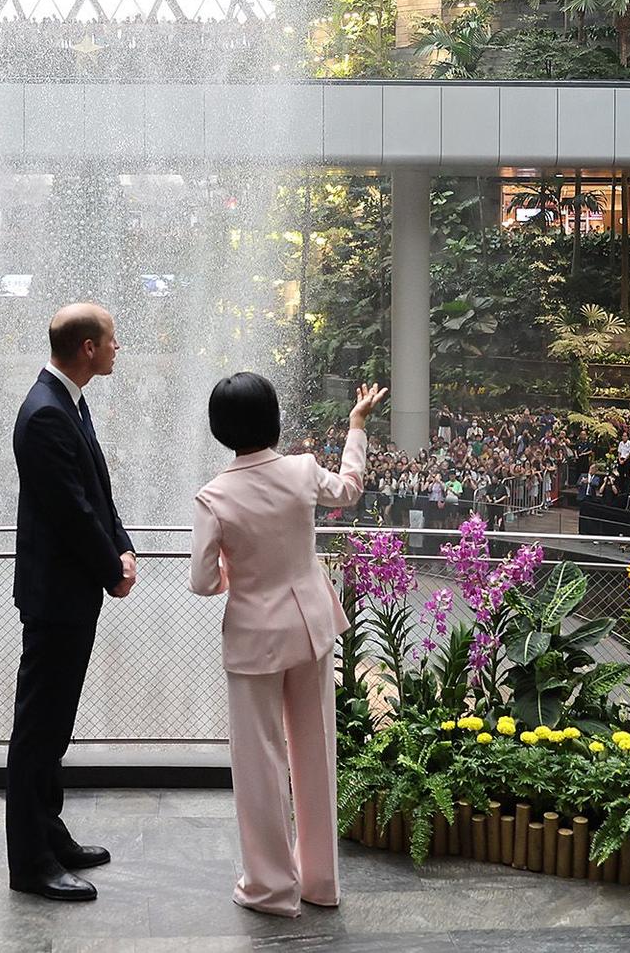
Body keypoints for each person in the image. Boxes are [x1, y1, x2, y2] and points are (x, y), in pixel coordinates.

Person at [192, 376, 385, 917]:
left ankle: (271, 888)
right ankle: (320, 882)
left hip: (255, 637)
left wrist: (237, 574)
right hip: (311, 627)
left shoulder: (214, 497)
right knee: (315, 750)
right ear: (274, 417)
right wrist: (355, 427)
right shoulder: (302, 471)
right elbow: (348, 490)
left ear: (219, 429)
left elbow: (204, 582)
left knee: (260, 761)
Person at [5, 303, 136, 902]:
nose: (117, 348)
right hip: (56, 597)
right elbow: (70, 512)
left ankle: (48, 833)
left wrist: (123, 547)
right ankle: (30, 864)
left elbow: (96, 492)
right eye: (111, 339)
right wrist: (112, 569)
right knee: (37, 729)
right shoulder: (45, 416)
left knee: (53, 726)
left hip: (69, 593)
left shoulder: (67, 404)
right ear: (86, 347)